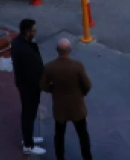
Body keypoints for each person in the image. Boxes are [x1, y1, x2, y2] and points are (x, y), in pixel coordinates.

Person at [40, 38, 93, 160]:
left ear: (57, 51)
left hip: (60, 107)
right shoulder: (77, 66)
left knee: (59, 135)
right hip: (77, 107)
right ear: (69, 50)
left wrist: (52, 89)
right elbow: (87, 85)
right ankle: (87, 157)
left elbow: (43, 85)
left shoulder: (50, 67)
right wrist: (81, 94)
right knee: (83, 135)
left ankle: (60, 157)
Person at [13, 19, 46, 156]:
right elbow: (33, 71)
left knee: (29, 114)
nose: (35, 32)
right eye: (33, 30)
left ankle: (28, 138)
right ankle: (28, 145)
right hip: (29, 88)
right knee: (29, 114)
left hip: (25, 85)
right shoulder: (25, 51)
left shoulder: (18, 42)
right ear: (27, 32)